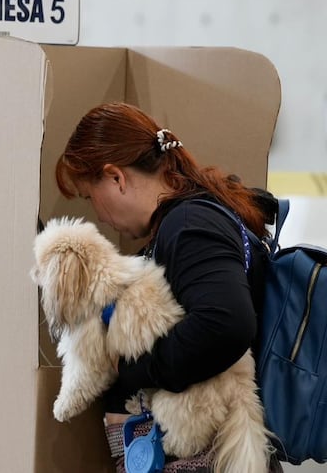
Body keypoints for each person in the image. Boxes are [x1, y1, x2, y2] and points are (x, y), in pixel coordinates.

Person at [55, 102, 281, 472]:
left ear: (116, 177)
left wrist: (134, 368)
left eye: (89, 195)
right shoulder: (190, 218)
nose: (97, 214)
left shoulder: (189, 224)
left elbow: (227, 322)